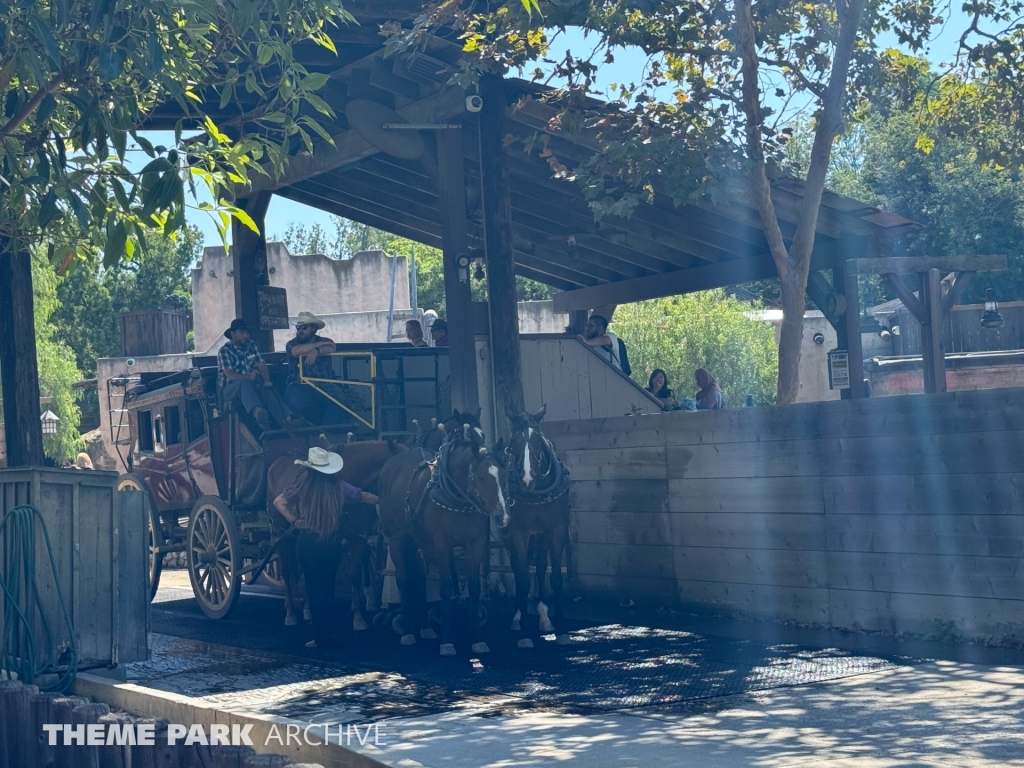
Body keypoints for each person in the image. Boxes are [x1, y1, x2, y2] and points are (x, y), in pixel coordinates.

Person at [272, 448, 378, 648]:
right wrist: (383, 499)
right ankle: (328, 630)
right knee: (328, 587)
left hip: (307, 543)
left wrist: (294, 520)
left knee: (313, 589)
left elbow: (278, 501)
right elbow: (364, 496)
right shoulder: (339, 487)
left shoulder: (302, 486)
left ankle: (320, 636)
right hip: (331, 543)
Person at [217, 319, 292, 430]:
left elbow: (262, 365)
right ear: (233, 334)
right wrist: (248, 376)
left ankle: (287, 421)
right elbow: (230, 375)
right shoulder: (224, 351)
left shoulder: (252, 345)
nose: (246, 336)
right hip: (229, 390)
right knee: (244, 383)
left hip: (251, 386)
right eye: (242, 332)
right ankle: (257, 412)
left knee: (268, 389)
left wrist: (266, 380)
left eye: (247, 332)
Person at [284, 312, 342, 425]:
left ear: (314, 328)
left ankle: (330, 431)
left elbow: (332, 346)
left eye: (304, 327)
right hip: (300, 384)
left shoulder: (324, 340)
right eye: (298, 327)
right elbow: (296, 351)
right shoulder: (292, 343)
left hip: (326, 385)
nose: (300, 331)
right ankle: (299, 427)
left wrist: (317, 351)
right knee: (294, 400)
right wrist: (317, 347)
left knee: (339, 403)